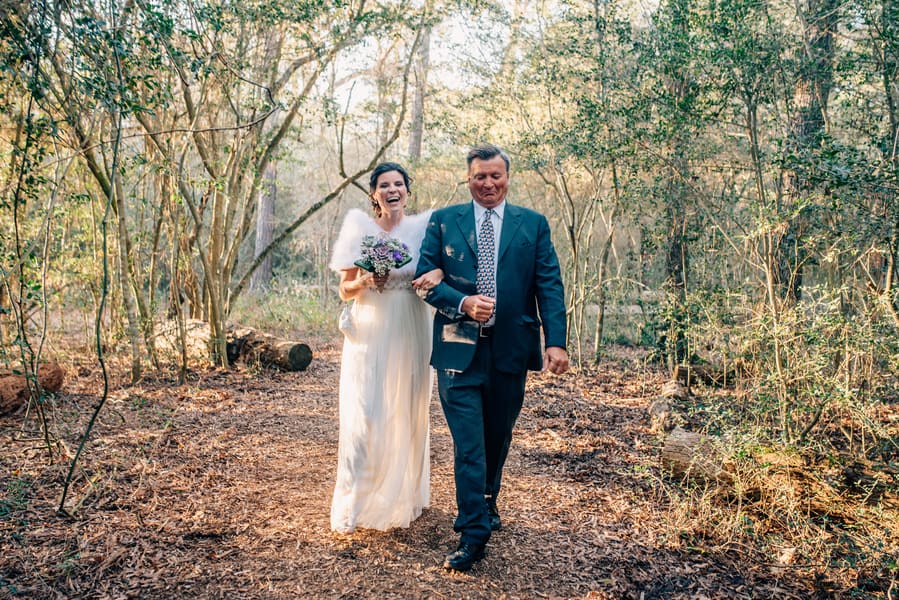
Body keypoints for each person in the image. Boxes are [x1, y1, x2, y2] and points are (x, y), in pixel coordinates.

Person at [415, 144, 569, 571]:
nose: (488, 184)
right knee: (468, 445)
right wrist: (462, 303)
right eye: (480, 176)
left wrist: (555, 341)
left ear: (507, 177)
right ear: (468, 179)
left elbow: (549, 285)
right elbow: (425, 281)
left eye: (495, 176)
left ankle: (487, 499)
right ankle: (473, 533)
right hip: (456, 350)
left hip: (511, 350)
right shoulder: (445, 222)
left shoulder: (532, 225)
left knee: (496, 437)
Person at [328, 162, 442, 534]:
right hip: (371, 327)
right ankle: (356, 501)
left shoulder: (424, 227)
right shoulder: (359, 227)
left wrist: (432, 277)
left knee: (407, 407)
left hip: (411, 323)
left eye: (398, 184)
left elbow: (439, 271)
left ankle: (404, 494)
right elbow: (343, 289)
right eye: (384, 185)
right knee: (367, 411)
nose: (392, 190)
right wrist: (363, 279)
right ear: (374, 193)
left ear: (407, 189)